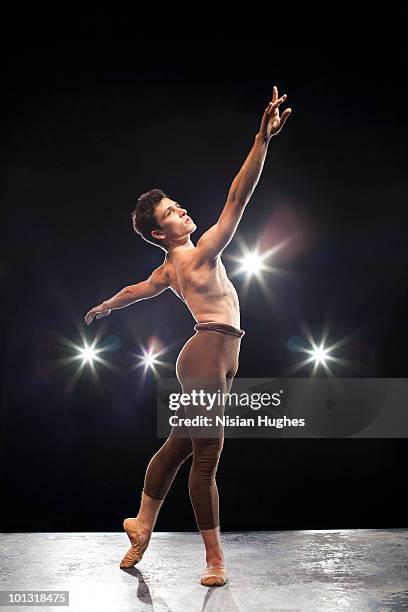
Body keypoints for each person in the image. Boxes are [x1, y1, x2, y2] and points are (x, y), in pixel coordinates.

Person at [84, 85, 292, 586]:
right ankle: (215, 561)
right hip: (207, 353)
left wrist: (109, 304)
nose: (181, 212)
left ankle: (142, 522)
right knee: (205, 458)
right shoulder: (197, 257)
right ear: (160, 233)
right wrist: (261, 139)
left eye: (177, 205)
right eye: (171, 214)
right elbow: (238, 197)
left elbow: (137, 289)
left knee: (180, 446)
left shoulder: (170, 268)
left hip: (211, 355)